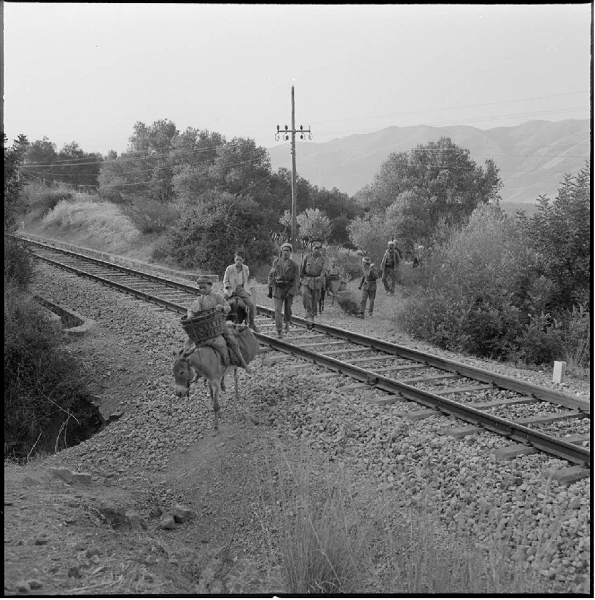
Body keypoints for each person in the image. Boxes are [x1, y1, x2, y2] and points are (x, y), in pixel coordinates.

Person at [186, 276, 251, 372]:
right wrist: (190, 315)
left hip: (219, 325)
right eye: (200, 288)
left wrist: (223, 308)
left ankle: (243, 363)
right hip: (205, 327)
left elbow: (227, 307)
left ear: (210, 286)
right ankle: (186, 359)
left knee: (232, 341)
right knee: (190, 341)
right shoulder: (200, 300)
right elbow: (191, 309)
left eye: (204, 287)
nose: (202, 290)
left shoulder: (217, 297)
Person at [267, 242, 299, 338]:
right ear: (281, 251)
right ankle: (279, 330)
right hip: (278, 289)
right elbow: (271, 275)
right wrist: (270, 285)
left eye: (287, 251)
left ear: (290, 252)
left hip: (288, 288)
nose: (285, 252)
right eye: (284, 250)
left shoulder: (294, 265)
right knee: (277, 310)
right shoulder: (276, 262)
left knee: (288, 309)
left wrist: (292, 291)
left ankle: (287, 323)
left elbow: (297, 280)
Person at [222, 251, 259, 333]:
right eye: (237, 259)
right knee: (221, 303)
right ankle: (219, 322)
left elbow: (246, 280)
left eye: (240, 260)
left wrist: (247, 288)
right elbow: (225, 280)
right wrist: (228, 288)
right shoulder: (229, 268)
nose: (238, 261)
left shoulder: (246, 268)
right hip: (230, 288)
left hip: (241, 289)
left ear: (243, 260)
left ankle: (252, 323)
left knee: (251, 304)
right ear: (234, 259)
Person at [299, 240, 328, 329]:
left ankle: (311, 316)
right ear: (312, 249)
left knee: (315, 299)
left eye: (318, 248)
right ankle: (308, 311)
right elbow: (302, 268)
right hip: (306, 280)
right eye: (315, 248)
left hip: (316, 280)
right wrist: (300, 279)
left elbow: (324, 269)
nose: (317, 250)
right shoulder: (306, 257)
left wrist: (321, 276)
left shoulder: (323, 259)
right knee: (305, 294)